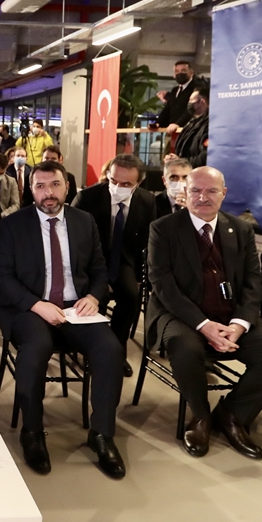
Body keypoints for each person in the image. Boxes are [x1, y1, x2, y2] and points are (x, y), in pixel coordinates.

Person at [146, 166, 262, 461]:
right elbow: (163, 285)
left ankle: (232, 413)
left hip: (232, 316)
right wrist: (204, 325)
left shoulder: (240, 229)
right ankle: (200, 416)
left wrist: (239, 324)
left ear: (224, 194)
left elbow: (253, 281)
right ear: (185, 193)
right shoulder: (163, 228)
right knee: (185, 348)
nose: (203, 197)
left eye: (211, 191)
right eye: (195, 190)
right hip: (180, 315)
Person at [0, 159, 126, 478]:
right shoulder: (13, 224)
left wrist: (94, 297)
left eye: (55, 185)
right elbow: (3, 277)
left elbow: (99, 270)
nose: (48, 193)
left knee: (110, 350)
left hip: (76, 307)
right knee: (36, 347)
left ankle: (102, 434)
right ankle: (32, 432)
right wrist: (36, 305)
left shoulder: (84, 221)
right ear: (31, 189)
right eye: (40, 186)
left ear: (67, 187)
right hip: (29, 307)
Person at [75, 154, 156, 374]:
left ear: (138, 183)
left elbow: (146, 241)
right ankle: (93, 351)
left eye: (126, 184)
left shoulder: (147, 201)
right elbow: (72, 237)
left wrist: (139, 277)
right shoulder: (87, 198)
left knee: (131, 297)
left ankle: (117, 351)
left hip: (122, 260)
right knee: (95, 297)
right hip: (89, 262)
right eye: (113, 180)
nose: (118, 188)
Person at [154, 59, 209, 133]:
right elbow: (168, 109)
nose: (180, 73)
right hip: (172, 131)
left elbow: (193, 108)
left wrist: (178, 124)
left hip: (189, 131)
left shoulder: (198, 87)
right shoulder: (175, 90)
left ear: (191, 73)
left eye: (183, 70)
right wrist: (158, 123)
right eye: (177, 71)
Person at [171, 90, 210, 168]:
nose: (189, 103)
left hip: (198, 171)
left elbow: (205, 156)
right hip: (186, 169)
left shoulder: (209, 125)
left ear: (202, 101)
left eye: (192, 100)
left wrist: (182, 162)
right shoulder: (190, 123)